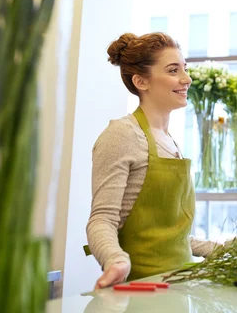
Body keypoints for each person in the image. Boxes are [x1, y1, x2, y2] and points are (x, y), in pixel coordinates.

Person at [86, 32, 217, 289]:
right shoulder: (122, 135)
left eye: (185, 69)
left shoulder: (170, 141)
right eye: (173, 70)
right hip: (141, 291)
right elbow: (102, 219)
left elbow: (170, 237)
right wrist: (116, 260)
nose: (186, 79)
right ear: (141, 82)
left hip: (179, 288)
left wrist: (224, 248)